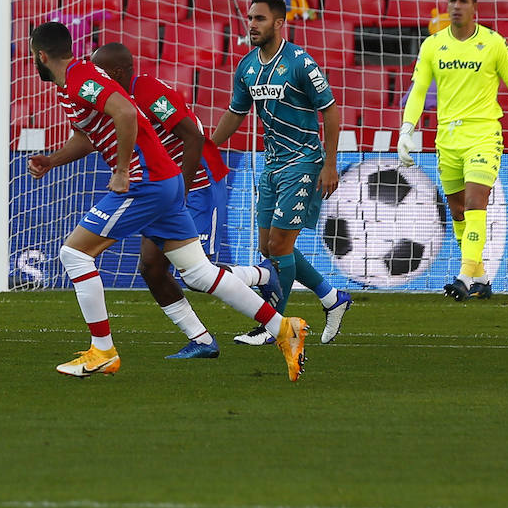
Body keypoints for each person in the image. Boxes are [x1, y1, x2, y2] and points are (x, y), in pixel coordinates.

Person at [28, 22, 307, 381]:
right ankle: (284, 328)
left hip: (146, 182)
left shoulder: (81, 77)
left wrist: (123, 170)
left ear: (41, 55)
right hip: (165, 179)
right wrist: (52, 160)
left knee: (74, 254)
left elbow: (125, 112)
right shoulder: (73, 84)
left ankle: (103, 351)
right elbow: (86, 136)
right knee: (199, 273)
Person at [60, 42, 281, 359]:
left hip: (197, 183)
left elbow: (193, 136)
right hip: (159, 188)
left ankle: (262, 275)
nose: (96, 77)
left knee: (197, 275)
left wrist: (182, 190)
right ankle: (201, 339)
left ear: (118, 72)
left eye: (101, 71)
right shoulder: (110, 100)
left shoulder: (146, 91)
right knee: (153, 268)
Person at [211, 0, 353, 346]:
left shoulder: (300, 63)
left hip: (304, 161)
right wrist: (208, 146)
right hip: (272, 162)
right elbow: (235, 113)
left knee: (279, 244)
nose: (251, 24)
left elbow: (330, 110)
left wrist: (330, 164)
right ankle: (332, 298)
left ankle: (272, 326)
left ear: (279, 23)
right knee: (268, 248)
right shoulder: (247, 67)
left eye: (259, 18)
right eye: (250, 18)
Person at [397, 0, 508, 300]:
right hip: (447, 137)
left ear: (474, 7)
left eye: (463, 1)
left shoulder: (493, 43)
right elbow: (418, 90)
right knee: (458, 210)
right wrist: (407, 129)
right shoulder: (433, 45)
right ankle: (482, 279)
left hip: (483, 134)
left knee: (477, 202)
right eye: (452, 1)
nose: (456, 6)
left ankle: (463, 276)